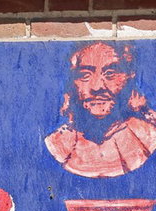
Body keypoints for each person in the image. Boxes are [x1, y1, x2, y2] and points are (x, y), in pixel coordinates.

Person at [45, 42, 156, 179]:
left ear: (129, 76)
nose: (97, 87)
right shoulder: (57, 142)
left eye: (110, 74)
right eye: (85, 75)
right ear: (73, 82)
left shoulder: (148, 136)